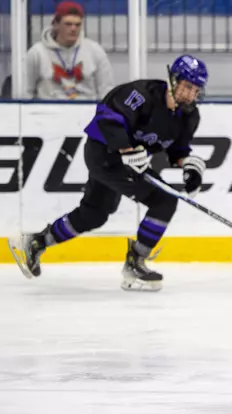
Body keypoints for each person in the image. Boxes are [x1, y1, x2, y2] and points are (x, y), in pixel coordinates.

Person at [7, 55, 209, 292]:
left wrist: (189, 167)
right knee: (164, 201)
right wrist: (126, 150)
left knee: (95, 215)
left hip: (126, 163)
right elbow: (107, 117)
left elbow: (177, 149)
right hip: (103, 153)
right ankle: (135, 263)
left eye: (196, 90)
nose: (190, 94)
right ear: (172, 80)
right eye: (187, 86)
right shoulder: (141, 95)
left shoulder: (189, 116)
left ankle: (36, 242)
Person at [25, 1, 114, 100]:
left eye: (77, 25)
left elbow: (106, 91)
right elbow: (26, 92)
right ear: (55, 24)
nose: (73, 29)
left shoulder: (95, 51)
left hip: (87, 107)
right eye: (68, 24)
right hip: (48, 107)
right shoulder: (37, 53)